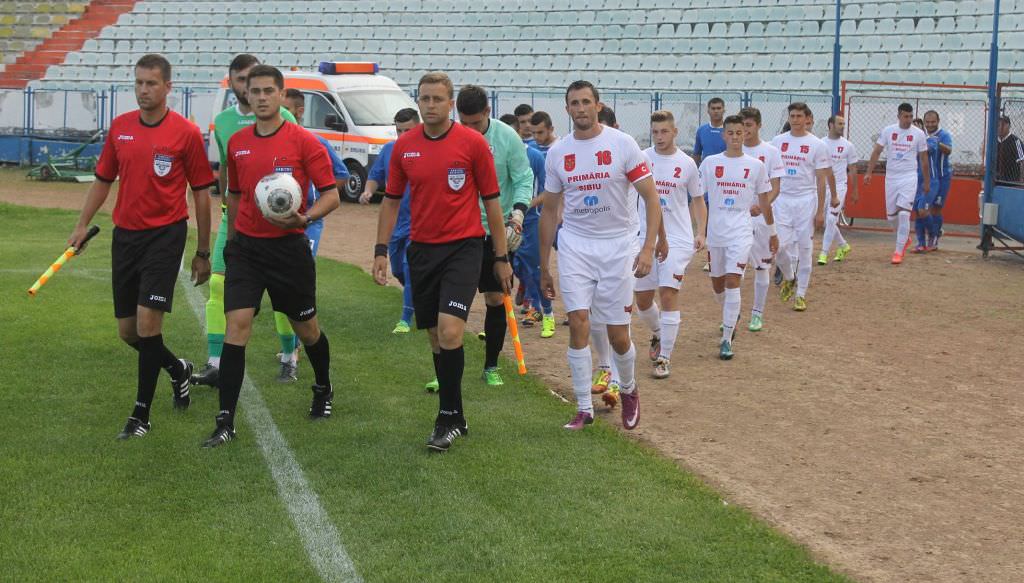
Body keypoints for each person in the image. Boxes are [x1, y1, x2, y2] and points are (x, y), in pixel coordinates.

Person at [69, 54, 215, 440]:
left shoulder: (185, 133)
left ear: (168, 87)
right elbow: (102, 180)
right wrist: (82, 224)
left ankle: (140, 416)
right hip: (126, 237)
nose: (143, 90)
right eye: (138, 83)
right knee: (129, 332)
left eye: (151, 83)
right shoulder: (120, 128)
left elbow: (201, 194)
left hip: (165, 236)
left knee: (149, 324)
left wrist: (203, 251)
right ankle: (178, 369)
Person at [372, 72, 511, 452]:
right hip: (422, 251)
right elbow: (391, 201)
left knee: (451, 331)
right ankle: (457, 413)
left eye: (437, 99)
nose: (430, 104)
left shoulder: (473, 144)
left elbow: (492, 203)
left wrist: (500, 256)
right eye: (424, 98)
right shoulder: (404, 148)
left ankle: (445, 418)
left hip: (465, 249)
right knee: (436, 337)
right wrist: (381, 250)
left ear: (451, 103)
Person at [204, 65, 341, 448]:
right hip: (247, 249)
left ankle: (323, 387)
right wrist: (230, 243)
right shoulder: (238, 142)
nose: (261, 97)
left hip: (288, 251)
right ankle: (225, 420)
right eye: (254, 91)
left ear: (282, 95)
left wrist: (306, 217)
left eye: (269, 91)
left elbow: (331, 194)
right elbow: (233, 196)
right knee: (238, 327)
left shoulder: (304, 142)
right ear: (245, 94)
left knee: (307, 329)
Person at [538, 80, 666, 431]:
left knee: (617, 334)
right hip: (576, 245)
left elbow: (652, 199)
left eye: (585, 102)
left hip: (618, 246)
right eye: (573, 103)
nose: (579, 108)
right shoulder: (558, 153)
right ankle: (583, 408)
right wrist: (543, 267)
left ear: (597, 105)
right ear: (567, 110)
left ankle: (628, 389)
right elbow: (549, 212)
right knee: (578, 321)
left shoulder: (622, 144)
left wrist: (646, 247)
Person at [193, 54, 299, 387]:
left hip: (276, 220)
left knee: (282, 293)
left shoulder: (284, 119)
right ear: (234, 83)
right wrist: (226, 202)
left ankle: (289, 356)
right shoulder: (223, 122)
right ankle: (215, 361)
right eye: (241, 80)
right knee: (218, 284)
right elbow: (226, 166)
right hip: (235, 217)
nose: (248, 87)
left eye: (252, 80)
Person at [453, 85, 533, 388]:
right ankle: (446, 366)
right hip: (459, 231)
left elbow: (524, 178)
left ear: (488, 113)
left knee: (495, 297)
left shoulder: (507, 138)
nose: (470, 130)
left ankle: (491, 365)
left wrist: (518, 213)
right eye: (465, 123)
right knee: (451, 301)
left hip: (495, 232)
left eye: (476, 123)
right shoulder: (451, 137)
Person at [635, 111, 706, 379]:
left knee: (667, 292)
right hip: (643, 236)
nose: (659, 137)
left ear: (675, 132)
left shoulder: (687, 164)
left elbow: (698, 200)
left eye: (664, 131)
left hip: (677, 238)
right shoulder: (641, 158)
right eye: (655, 132)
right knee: (642, 300)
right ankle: (658, 334)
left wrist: (702, 232)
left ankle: (664, 358)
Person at [701, 115, 776, 359]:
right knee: (718, 286)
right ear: (724, 135)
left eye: (739, 132)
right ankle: (731, 314)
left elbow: (765, 200)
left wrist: (772, 232)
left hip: (742, 231)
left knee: (734, 281)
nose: (735, 137)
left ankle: (727, 340)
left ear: (746, 134)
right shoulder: (710, 163)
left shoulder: (756, 166)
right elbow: (697, 198)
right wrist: (699, 231)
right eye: (730, 133)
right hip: (716, 232)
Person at [359, 108, 421, 334]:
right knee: (398, 271)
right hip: (396, 224)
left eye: (408, 130)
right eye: (399, 130)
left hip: (419, 224)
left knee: (409, 267)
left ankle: (405, 319)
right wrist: (368, 191)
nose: (403, 135)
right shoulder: (389, 150)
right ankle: (418, 295)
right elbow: (375, 176)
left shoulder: (425, 150)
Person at [770, 102, 836, 311]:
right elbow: (771, 173)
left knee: (805, 249)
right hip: (782, 200)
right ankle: (789, 276)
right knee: (779, 247)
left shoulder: (817, 145)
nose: (796, 120)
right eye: (792, 116)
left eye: (799, 116)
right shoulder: (778, 142)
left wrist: (819, 211)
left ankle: (801, 294)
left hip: (806, 200)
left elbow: (821, 180)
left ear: (807, 119)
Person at [282, 88, 349, 258]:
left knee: (302, 266)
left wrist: (319, 201)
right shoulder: (272, 143)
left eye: (286, 110)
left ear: (300, 111)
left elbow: (342, 174)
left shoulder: (316, 142)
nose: (281, 114)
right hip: (278, 218)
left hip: (308, 220)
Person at [864, 103, 930, 265]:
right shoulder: (888, 131)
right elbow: (877, 151)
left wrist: (927, 181)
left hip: (909, 177)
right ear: (899, 116)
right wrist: (869, 172)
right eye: (905, 116)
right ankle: (904, 238)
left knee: (904, 214)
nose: (908, 120)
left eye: (910, 116)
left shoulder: (919, 134)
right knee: (891, 217)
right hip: (891, 178)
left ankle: (898, 252)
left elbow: (924, 159)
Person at [739, 107, 784, 332]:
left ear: (758, 125)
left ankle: (757, 314)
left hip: (761, 217)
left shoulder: (771, 152)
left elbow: (776, 187)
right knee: (734, 270)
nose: (745, 130)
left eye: (749, 125)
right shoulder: (732, 152)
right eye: (742, 125)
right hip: (737, 220)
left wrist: (761, 205)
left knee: (761, 267)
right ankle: (732, 314)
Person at [516, 110, 558, 337]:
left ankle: (548, 313)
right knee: (510, 267)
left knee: (538, 268)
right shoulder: (495, 155)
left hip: (533, 220)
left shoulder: (534, 156)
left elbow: (548, 191)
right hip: (505, 221)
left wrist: (526, 206)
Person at [819, 114, 859, 264]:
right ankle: (843, 245)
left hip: (840, 187)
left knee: (831, 219)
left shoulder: (848, 145)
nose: (843, 126)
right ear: (830, 125)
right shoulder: (820, 143)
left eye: (843, 124)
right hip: (823, 186)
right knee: (826, 222)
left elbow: (853, 169)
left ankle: (823, 253)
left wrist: (855, 191)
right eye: (840, 123)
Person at [922, 111, 953, 251]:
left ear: (938, 121)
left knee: (936, 208)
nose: (930, 124)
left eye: (933, 122)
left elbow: (949, 150)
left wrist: (937, 143)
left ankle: (933, 239)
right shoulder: (921, 135)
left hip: (942, 177)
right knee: (922, 209)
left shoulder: (944, 135)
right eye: (927, 122)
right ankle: (935, 231)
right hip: (927, 178)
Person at [692, 97, 726, 164]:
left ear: (723, 110)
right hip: (707, 171)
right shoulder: (701, 130)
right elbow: (697, 154)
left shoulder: (729, 131)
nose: (716, 111)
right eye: (713, 108)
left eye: (719, 108)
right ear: (708, 111)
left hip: (725, 170)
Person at [996, 115, 1024, 184]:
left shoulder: (1016, 141)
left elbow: (1022, 161)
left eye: (1003, 124)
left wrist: (1021, 180)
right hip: (995, 180)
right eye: (998, 125)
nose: (1000, 127)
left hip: (1011, 182)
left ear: (1008, 126)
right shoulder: (993, 141)